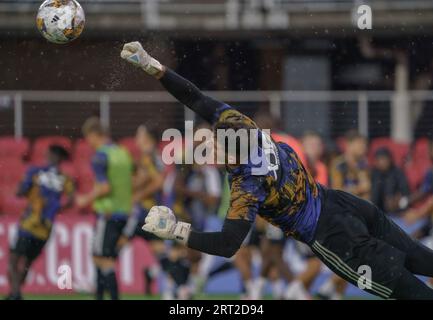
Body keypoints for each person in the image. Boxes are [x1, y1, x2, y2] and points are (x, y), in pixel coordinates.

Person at [121, 41, 433, 299]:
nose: (211, 149)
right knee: (424, 259)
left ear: (231, 156)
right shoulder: (245, 127)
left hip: (333, 236)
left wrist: (176, 230)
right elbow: (196, 98)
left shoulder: (247, 185)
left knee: (413, 295)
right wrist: (155, 67)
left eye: (216, 148)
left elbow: (228, 245)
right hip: (344, 203)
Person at [6, 145, 74, 300]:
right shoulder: (65, 178)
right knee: (27, 262)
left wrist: (20, 190)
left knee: (14, 259)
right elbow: (71, 200)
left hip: (29, 224)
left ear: (49, 155)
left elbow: (21, 191)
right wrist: (56, 206)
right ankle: (14, 293)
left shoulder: (35, 171)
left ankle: (16, 294)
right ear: (62, 159)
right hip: (45, 229)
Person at [76, 117, 133, 300]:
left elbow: (104, 187)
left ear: (94, 135)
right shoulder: (123, 152)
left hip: (107, 213)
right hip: (123, 212)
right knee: (103, 257)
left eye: (88, 138)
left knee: (102, 259)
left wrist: (85, 198)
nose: (88, 143)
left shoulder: (101, 156)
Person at [117, 125, 168, 295]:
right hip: (154, 210)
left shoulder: (149, 157)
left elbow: (158, 182)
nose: (136, 139)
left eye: (139, 135)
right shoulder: (154, 157)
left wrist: (136, 196)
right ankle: (156, 274)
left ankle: (102, 274)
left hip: (144, 211)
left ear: (148, 138)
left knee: (117, 242)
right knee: (158, 248)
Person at [371, 147, 410, 214]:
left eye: (383, 159)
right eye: (379, 160)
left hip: (397, 212)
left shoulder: (398, 172)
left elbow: (405, 193)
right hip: (378, 211)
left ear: (390, 159)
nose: (381, 162)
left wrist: (396, 201)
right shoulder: (374, 173)